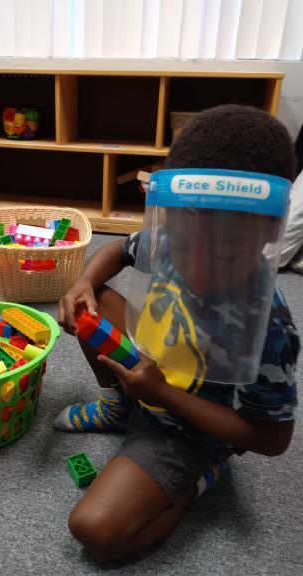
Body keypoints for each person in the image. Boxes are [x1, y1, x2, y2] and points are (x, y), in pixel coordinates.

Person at [55, 104, 300, 562]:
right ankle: (117, 407)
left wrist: (163, 395)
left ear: (269, 231)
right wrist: (83, 282)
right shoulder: (169, 238)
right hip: (150, 373)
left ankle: (196, 482)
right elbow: (117, 251)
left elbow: (272, 439)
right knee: (96, 302)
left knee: (95, 532)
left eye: (226, 254)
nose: (198, 266)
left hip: (188, 430)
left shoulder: (268, 325)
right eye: (186, 244)